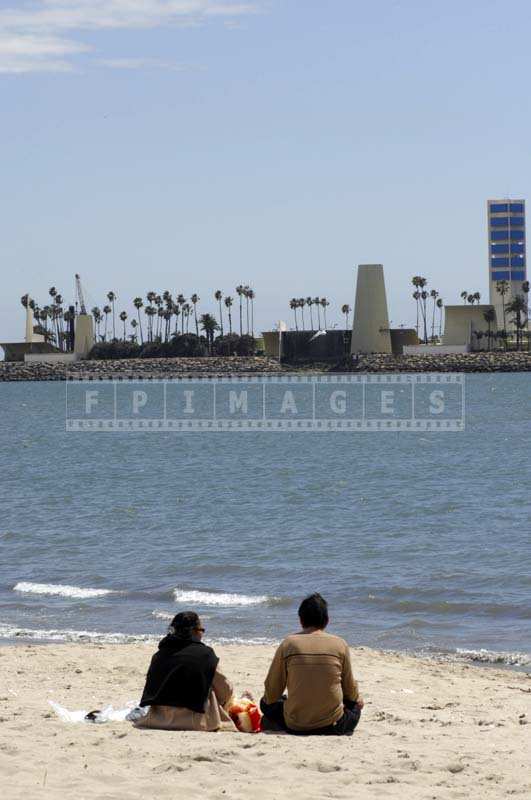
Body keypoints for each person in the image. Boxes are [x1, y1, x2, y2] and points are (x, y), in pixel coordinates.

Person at [260, 593, 363, 735]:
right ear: (327, 621)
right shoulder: (340, 644)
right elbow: (350, 691)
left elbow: (272, 692)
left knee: (266, 704)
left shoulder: (289, 643)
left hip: (295, 725)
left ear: (301, 620)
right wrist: (357, 701)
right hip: (333, 725)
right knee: (355, 705)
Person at [134, 611, 236, 732]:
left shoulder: (158, 655)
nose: (202, 634)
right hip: (195, 721)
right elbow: (226, 690)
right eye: (201, 630)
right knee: (215, 686)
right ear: (193, 631)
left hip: (157, 719)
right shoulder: (205, 654)